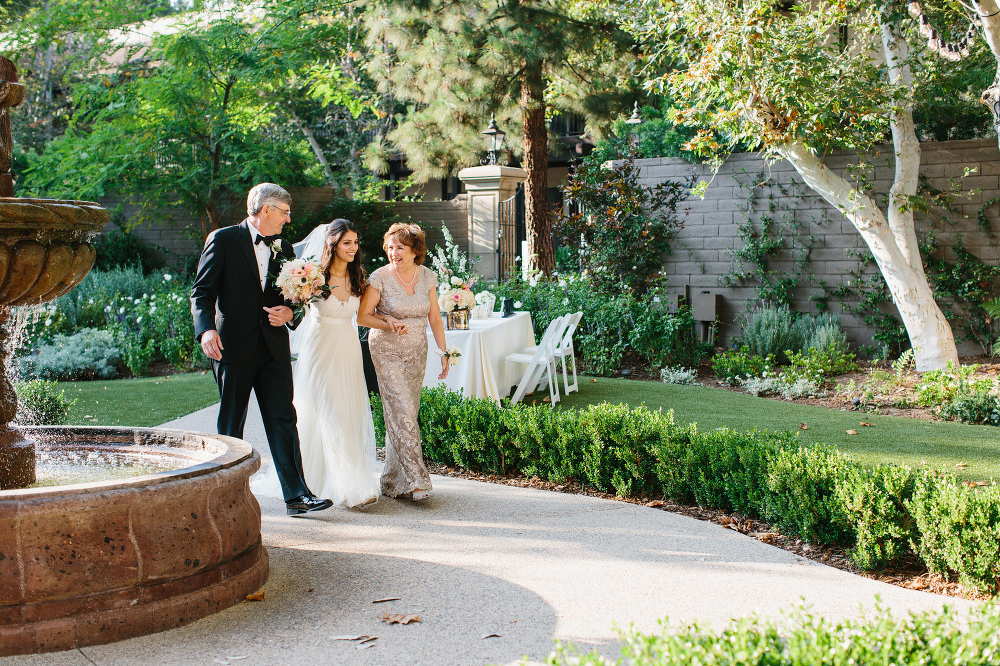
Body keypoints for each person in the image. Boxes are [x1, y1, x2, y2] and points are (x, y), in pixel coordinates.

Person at [190, 182, 333, 516]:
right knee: (231, 422)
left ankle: (298, 495)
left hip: (273, 347)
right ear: (266, 209)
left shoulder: (283, 247)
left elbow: (294, 294)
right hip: (232, 346)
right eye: (284, 212)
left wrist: (290, 312)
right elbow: (201, 292)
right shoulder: (223, 239)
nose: (288, 219)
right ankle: (227, 497)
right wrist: (205, 330)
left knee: (284, 418)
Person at [289, 219, 380, 508]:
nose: (353, 248)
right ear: (333, 245)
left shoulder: (358, 278)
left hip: (348, 349)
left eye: (355, 242)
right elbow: (293, 311)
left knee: (348, 411)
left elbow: (365, 315)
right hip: (321, 347)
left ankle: (341, 477)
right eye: (347, 243)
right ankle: (347, 486)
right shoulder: (313, 276)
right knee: (330, 411)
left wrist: (390, 321)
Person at [358, 223, 448, 501]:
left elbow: (434, 317)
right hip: (386, 350)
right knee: (403, 411)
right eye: (390, 246)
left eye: (400, 247)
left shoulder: (428, 276)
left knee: (403, 413)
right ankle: (416, 480)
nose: (394, 252)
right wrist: (389, 322)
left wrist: (443, 352)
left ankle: (393, 481)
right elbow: (363, 317)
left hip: (416, 352)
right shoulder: (379, 277)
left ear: (415, 251)